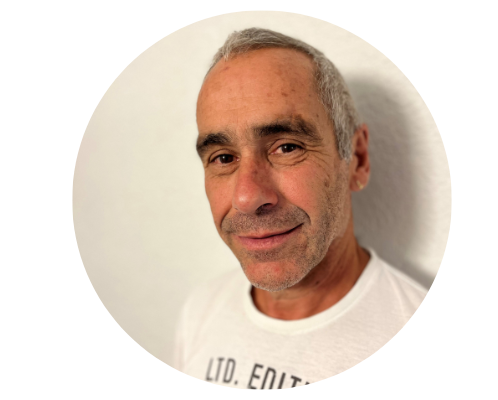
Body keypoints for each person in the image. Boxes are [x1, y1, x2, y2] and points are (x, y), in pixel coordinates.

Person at [175, 28, 427, 389]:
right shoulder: (201, 311)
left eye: (287, 147)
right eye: (224, 157)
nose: (247, 197)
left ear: (356, 159)